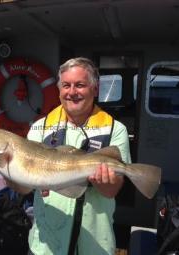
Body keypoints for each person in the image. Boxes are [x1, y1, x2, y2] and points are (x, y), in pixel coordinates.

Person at [26, 57, 131, 254]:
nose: (72, 92)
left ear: (95, 89)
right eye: (66, 85)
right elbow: (23, 186)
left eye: (80, 85)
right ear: (59, 90)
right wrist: (5, 167)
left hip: (94, 245)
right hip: (46, 245)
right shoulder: (40, 127)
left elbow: (111, 191)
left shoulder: (116, 130)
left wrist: (103, 181)